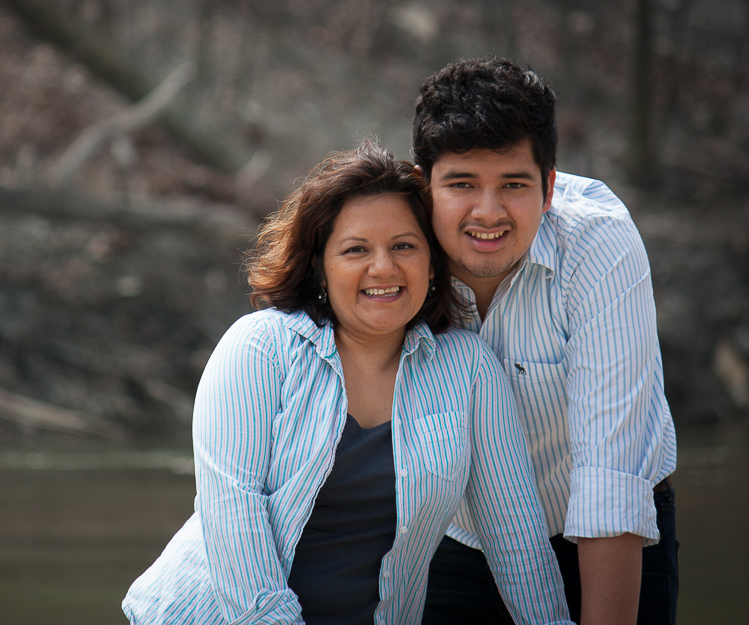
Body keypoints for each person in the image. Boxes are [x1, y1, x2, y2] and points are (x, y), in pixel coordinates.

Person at [122, 141, 572, 625]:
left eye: (404, 246)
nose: (384, 267)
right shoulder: (260, 350)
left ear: (431, 262)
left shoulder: (469, 369)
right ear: (320, 266)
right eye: (356, 249)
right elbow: (235, 521)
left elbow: (518, 545)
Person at [412, 56, 679, 625]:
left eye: (513, 184)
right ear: (423, 185)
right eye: (461, 184)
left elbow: (611, 477)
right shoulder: (395, 253)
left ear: (550, 186)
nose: (488, 213)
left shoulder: (599, 247)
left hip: (607, 530)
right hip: (458, 534)